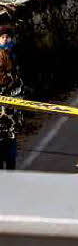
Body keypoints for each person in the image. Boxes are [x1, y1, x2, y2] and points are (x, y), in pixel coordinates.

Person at [0, 24, 24, 170]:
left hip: (12, 108)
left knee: (11, 138)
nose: (4, 39)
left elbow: (18, 81)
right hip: (2, 109)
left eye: (7, 37)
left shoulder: (14, 54)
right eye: (2, 37)